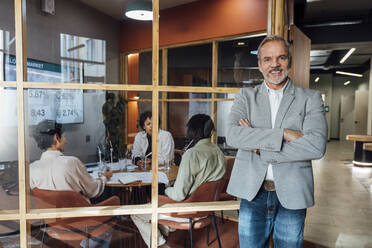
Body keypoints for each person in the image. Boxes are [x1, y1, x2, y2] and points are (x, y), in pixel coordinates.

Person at [226, 35, 328, 248]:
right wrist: (283, 134)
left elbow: (316, 146)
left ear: (289, 61)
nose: (275, 64)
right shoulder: (245, 97)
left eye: (281, 58)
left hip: (293, 192)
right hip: (252, 193)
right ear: (260, 64)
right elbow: (234, 135)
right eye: (268, 59)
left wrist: (258, 146)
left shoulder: (310, 98)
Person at [131, 114, 226, 247]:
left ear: (193, 131)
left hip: (188, 210)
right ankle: (163, 239)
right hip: (206, 209)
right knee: (159, 208)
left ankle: (162, 245)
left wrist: (166, 191)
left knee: (136, 213)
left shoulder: (192, 154)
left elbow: (178, 195)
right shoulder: (219, 152)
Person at [29, 120, 113, 248]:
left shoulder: (31, 169)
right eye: (64, 137)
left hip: (54, 224)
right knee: (114, 206)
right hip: (81, 223)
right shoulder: (71, 163)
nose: (66, 140)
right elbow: (93, 191)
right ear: (56, 138)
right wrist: (104, 178)